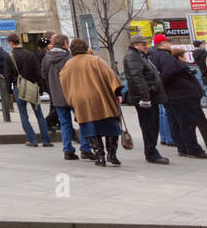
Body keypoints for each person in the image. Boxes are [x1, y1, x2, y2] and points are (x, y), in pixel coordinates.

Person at [59, 39, 125, 167]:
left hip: (81, 101)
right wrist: (118, 93)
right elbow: (111, 76)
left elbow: (64, 84)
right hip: (100, 98)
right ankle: (112, 154)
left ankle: (100, 157)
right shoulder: (95, 60)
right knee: (110, 125)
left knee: (90, 128)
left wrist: (71, 99)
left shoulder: (68, 65)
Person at [148, 33, 207, 160]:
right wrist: (182, 71)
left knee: (176, 123)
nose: (170, 44)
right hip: (181, 95)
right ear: (163, 44)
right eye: (168, 42)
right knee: (186, 123)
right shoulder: (164, 56)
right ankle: (193, 149)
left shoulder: (153, 57)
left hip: (172, 95)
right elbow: (169, 72)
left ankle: (182, 147)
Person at [42, 34, 92, 161]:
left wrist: (52, 89)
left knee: (65, 124)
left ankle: (68, 149)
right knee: (83, 121)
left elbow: (43, 75)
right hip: (72, 94)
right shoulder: (69, 57)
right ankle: (85, 148)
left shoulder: (46, 58)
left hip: (57, 96)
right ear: (65, 43)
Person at [122, 36, 169, 164]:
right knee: (149, 125)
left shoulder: (140, 56)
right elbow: (137, 77)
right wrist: (146, 95)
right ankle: (151, 153)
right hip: (145, 98)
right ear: (136, 45)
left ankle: (152, 151)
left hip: (150, 96)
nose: (146, 46)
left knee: (153, 124)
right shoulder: (133, 56)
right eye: (144, 44)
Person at [5, 33, 52, 147]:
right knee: (39, 113)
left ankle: (32, 139)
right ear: (19, 41)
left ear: (11, 43)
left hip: (19, 87)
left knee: (23, 113)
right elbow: (38, 72)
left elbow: (8, 76)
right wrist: (40, 88)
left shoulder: (9, 56)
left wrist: (9, 91)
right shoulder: (31, 54)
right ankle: (46, 140)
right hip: (32, 86)